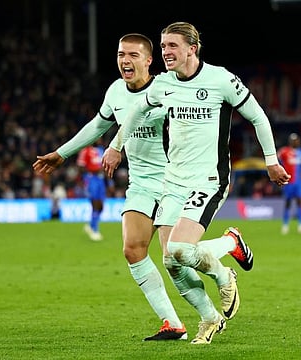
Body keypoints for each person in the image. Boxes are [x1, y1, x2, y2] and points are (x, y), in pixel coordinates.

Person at [33, 33, 253, 342]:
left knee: (174, 256)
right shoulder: (115, 92)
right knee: (132, 249)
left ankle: (229, 246)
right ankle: (180, 322)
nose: (125, 60)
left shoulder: (170, 90)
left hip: (173, 181)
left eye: (133, 55)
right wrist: (61, 153)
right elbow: (98, 125)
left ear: (149, 61)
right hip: (140, 183)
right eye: (121, 54)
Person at [106, 22, 290, 344]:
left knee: (179, 248)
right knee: (171, 261)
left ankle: (226, 259)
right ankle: (209, 318)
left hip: (208, 179)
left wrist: (271, 160)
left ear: (193, 48)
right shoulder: (163, 85)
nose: (166, 52)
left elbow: (258, 116)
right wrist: (115, 145)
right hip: (173, 180)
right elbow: (135, 112)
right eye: (163, 47)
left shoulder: (220, 80)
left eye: (172, 46)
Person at [76, 139, 113, 241]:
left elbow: (104, 166)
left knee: (100, 206)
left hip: (101, 180)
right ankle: (94, 230)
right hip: (91, 179)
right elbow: (80, 167)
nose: (99, 138)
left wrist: (109, 182)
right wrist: (94, 171)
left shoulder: (101, 150)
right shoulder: (85, 151)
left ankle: (91, 225)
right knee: (95, 204)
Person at [277, 133, 301, 235]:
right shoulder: (284, 151)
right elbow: (276, 160)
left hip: (298, 182)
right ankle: (285, 226)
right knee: (288, 202)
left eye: (297, 140)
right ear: (290, 142)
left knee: (300, 201)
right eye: (293, 140)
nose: (296, 142)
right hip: (288, 181)